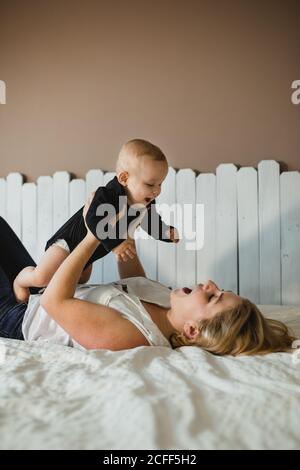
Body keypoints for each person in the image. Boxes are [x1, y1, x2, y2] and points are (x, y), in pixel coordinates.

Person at [0, 214, 295, 355]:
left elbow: (55, 302)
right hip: (36, 292)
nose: (210, 284)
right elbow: (133, 282)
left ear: (192, 330)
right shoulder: (167, 301)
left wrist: (93, 236)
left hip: (16, 318)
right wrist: (127, 242)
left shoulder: (133, 337)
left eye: (213, 297)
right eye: (219, 290)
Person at [13, 138, 180, 303]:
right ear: (124, 178)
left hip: (90, 254)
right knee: (42, 277)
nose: (157, 190)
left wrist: (166, 232)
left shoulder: (145, 202)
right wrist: (115, 243)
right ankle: (21, 280)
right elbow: (92, 220)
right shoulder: (107, 195)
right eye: (151, 184)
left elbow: (151, 222)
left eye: (160, 183)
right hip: (69, 244)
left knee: (79, 281)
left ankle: (48, 296)